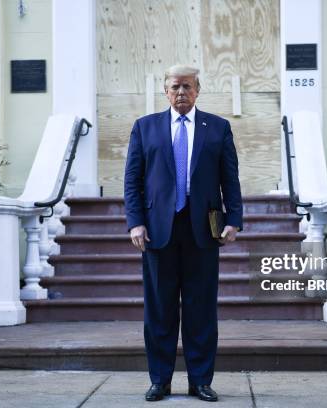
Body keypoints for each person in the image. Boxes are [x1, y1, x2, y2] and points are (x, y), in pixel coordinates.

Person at [124, 64, 243, 402]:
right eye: (175, 87)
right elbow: (132, 181)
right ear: (165, 90)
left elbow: (229, 178)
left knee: (201, 308)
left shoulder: (218, 128)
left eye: (187, 87)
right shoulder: (145, 128)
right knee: (159, 309)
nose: (181, 93)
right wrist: (135, 222)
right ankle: (160, 380)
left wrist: (233, 218)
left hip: (204, 229)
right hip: (158, 230)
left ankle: (200, 381)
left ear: (198, 90)